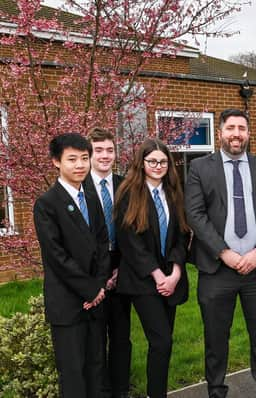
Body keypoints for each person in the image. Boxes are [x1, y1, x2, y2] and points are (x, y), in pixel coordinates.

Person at [185, 108, 256, 398]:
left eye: (242, 128)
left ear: (249, 133)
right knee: (216, 341)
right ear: (220, 132)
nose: (236, 134)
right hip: (217, 271)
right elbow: (195, 213)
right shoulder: (200, 168)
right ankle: (216, 391)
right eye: (231, 128)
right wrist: (223, 252)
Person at [33, 133, 110, 398]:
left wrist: (99, 286)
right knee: (74, 373)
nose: (80, 165)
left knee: (96, 368)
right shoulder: (46, 205)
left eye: (84, 159)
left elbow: (102, 242)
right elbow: (56, 256)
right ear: (56, 162)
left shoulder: (90, 197)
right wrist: (89, 290)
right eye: (72, 159)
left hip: (96, 302)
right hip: (68, 304)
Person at [114, 138, 190, 398]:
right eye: (152, 161)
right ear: (141, 163)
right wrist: (158, 275)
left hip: (171, 278)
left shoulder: (174, 193)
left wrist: (176, 272)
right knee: (161, 340)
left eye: (163, 162)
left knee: (163, 345)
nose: (158, 166)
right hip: (142, 280)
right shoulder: (128, 193)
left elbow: (182, 234)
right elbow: (129, 241)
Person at [83, 127, 132, 398]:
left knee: (122, 339)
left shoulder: (125, 185)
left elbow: (135, 232)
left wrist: (120, 269)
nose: (105, 156)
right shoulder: (80, 187)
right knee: (96, 340)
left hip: (123, 267)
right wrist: (101, 277)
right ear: (89, 153)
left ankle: (121, 391)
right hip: (92, 273)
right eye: (98, 150)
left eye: (109, 150)